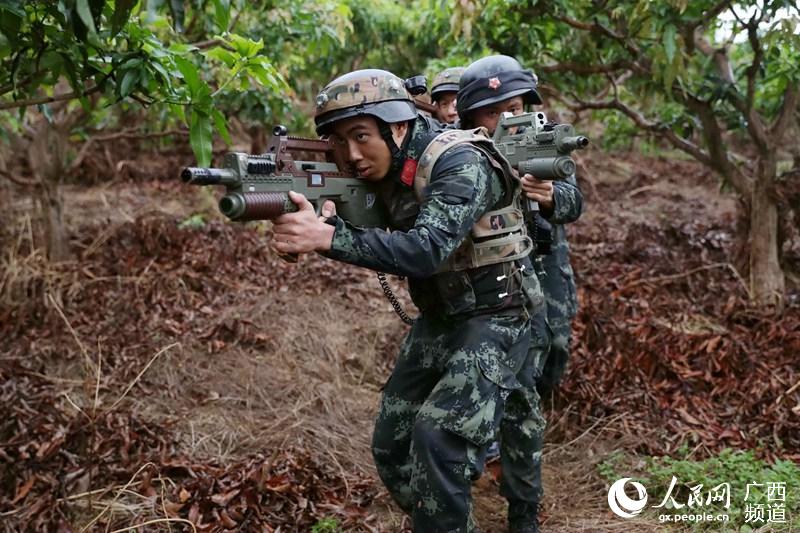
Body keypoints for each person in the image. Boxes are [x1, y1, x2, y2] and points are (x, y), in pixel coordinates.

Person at [271, 68, 545, 532]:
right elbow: (358, 212)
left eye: (361, 136)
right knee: (392, 444)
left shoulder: (460, 162)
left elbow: (426, 250)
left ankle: (518, 515)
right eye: (339, 142)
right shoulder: (387, 167)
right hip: (441, 316)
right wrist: (308, 223)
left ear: (398, 126)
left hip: (499, 313)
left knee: (439, 436)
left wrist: (329, 239)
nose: (352, 155)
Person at [456, 55, 584, 533]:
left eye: (512, 107)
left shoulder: (542, 140)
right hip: (494, 285)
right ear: (472, 119)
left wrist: (551, 196)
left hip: (545, 266)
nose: (505, 119)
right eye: (491, 112)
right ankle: (502, 477)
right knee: (509, 383)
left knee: (553, 349)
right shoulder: (463, 155)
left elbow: (574, 200)